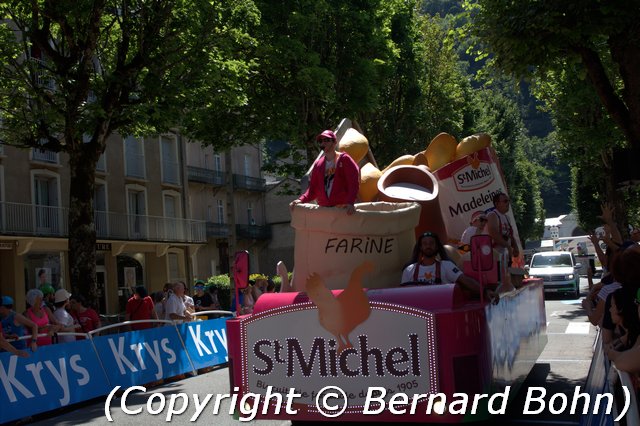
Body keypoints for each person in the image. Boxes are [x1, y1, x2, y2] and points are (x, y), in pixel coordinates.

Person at [401, 232, 498, 302]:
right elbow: (403, 296)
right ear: (420, 247)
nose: (428, 246)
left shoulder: (446, 266)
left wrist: (484, 291)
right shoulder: (409, 270)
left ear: (437, 246)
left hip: (442, 310)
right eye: (425, 244)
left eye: (431, 243)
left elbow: (465, 280)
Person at [289, 130, 360, 215]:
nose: (323, 143)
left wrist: (350, 202)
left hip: (343, 209)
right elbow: (312, 189)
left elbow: (353, 183)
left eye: (326, 140)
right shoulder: (318, 164)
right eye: (320, 141)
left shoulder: (344, 159)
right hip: (324, 210)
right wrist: (300, 200)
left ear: (334, 142)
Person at [485, 192, 519, 287]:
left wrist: (515, 247)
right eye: (505, 201)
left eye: (508, 200)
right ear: (497, 204)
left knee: (506, 280)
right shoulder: (492, 215)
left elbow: (510, 235)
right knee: (498, 282)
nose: (508, 203)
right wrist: (508, 246)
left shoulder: (507, 217)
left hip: (504, 255)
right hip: (494, 256)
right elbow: (493, 233)